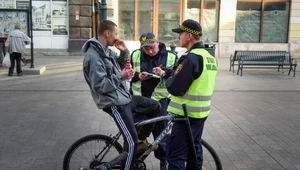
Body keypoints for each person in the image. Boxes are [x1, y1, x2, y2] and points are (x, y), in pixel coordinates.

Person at [82, 20, 161, 170]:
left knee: (155, 106)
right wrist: (121, 76)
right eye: (116, 33)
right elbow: (99, 86)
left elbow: (118, 66)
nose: (117, 37)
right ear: (108, 33)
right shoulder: (94, 56)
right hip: (114, 103)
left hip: (124, 97)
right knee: (131, 142)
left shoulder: (104, 51)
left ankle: (141, 140)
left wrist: (124, 52)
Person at [166, 19, 218, 170]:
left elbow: (175, 88)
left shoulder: (191, 58)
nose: (178, 37)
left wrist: (170, 79)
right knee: (194, 152)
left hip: (185, 115)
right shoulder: (209, 57)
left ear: (189, 36)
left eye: (180, 34)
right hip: (201, 113)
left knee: (176, 157)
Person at [130, 32, 177, 170]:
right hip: (140, 101)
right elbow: (126, 73)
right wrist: (138, 76)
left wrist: (164, 73)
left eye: (152, 47)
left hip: (160, 101)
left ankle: (164, 162)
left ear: (157, 42)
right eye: (146, 49)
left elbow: (177, 74)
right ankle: (133, 162)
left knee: (161, 135)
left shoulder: (171, 56)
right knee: (136, 136)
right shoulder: (135, 55)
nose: (150, 51)